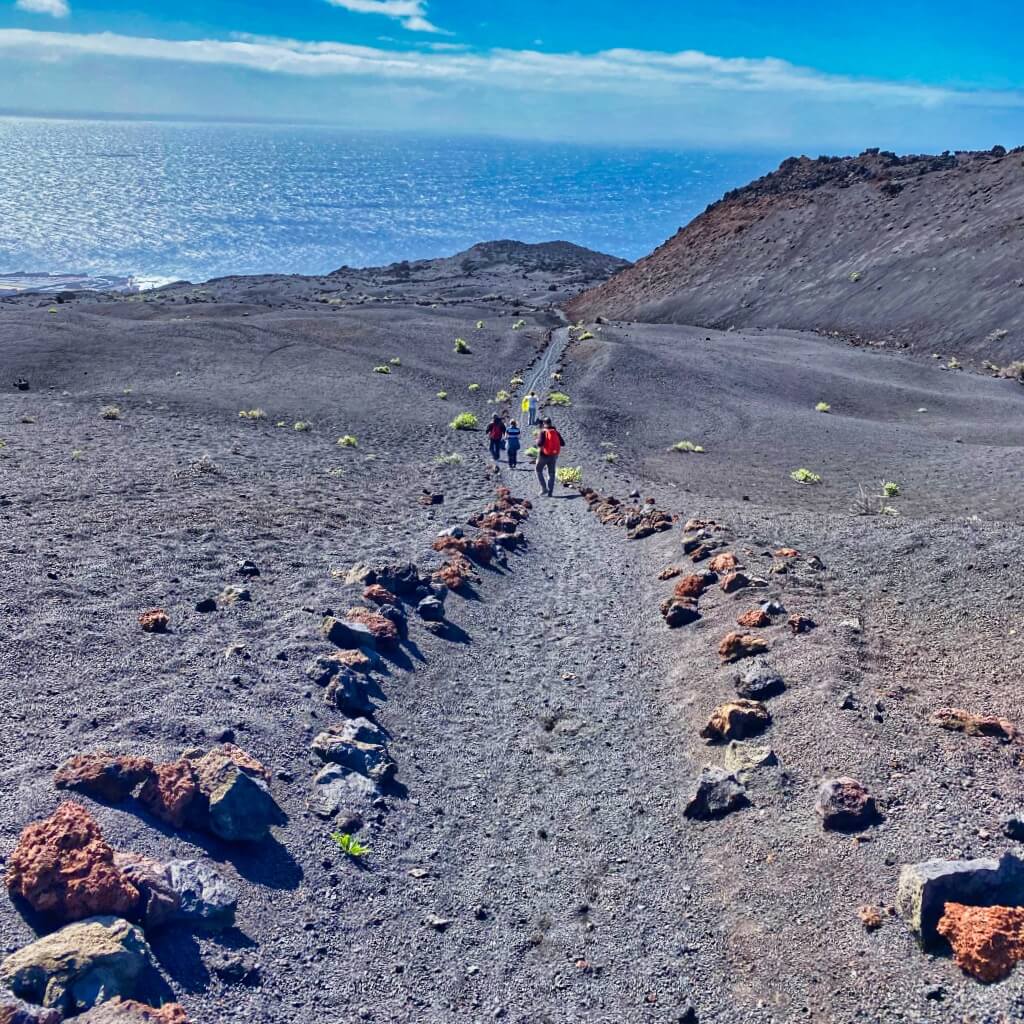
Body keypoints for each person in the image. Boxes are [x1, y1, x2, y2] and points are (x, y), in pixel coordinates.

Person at [535, 417, 565, 497]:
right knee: (551, 473)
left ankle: (544, 488)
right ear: (551, 423)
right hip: (553, 456)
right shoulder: (556, 432)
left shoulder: (543, 432)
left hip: (543, 455)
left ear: (544, 424)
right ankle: (550, 492)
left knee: (538, 470)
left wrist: (537, 440)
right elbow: (562, 443)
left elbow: (539, 444)